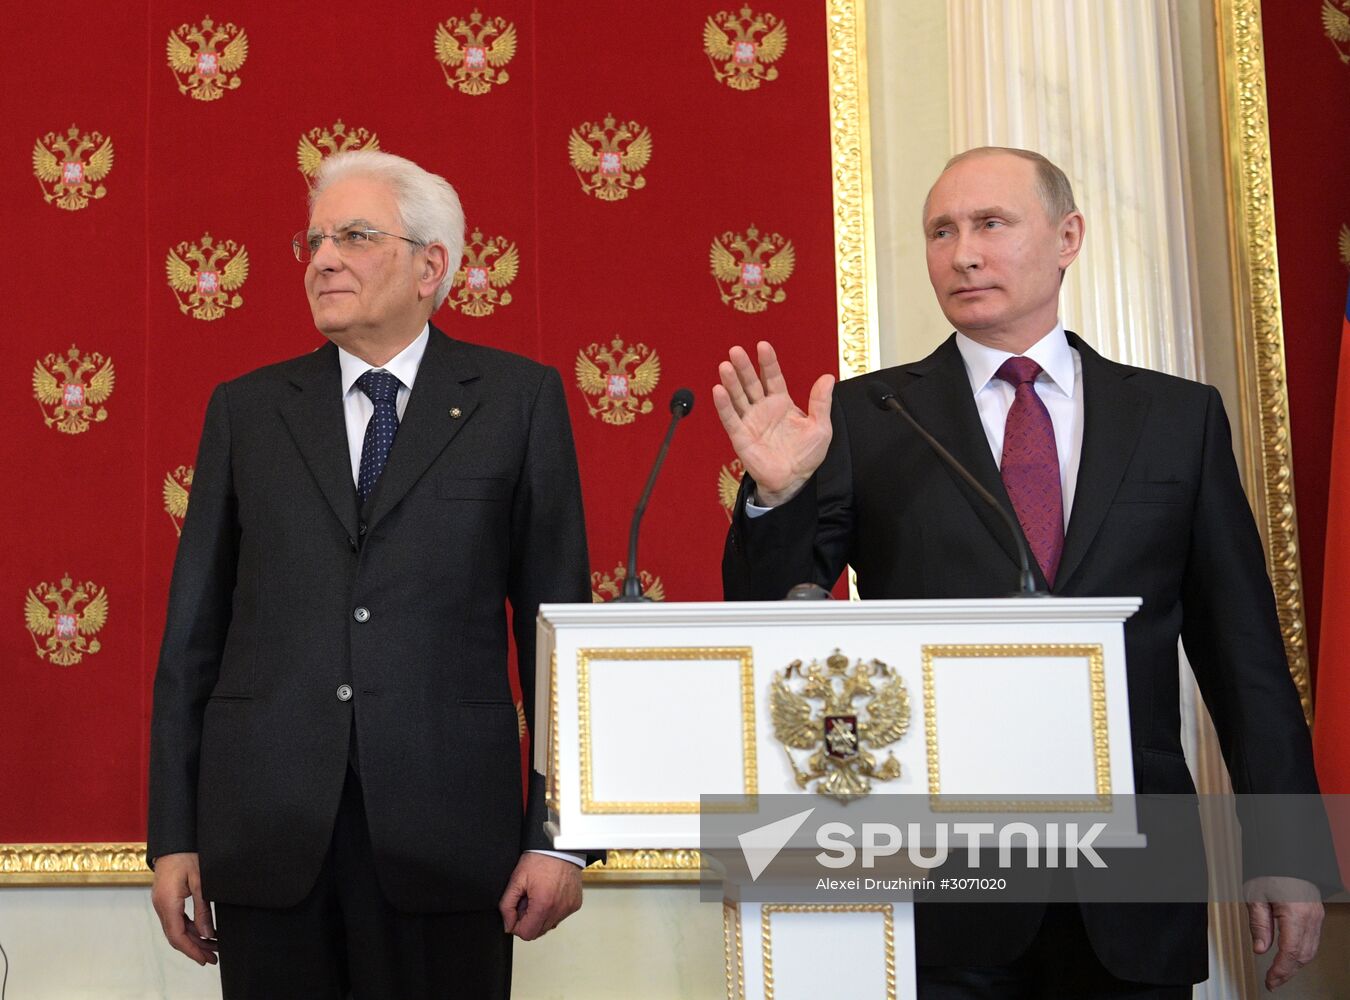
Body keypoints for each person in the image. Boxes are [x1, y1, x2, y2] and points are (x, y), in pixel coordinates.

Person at [715, 146, 1327, 997]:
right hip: (946, 879)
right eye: (940, 231)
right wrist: (778, 498)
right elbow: (770, 627)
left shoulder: (1177, 418)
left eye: (990, 224)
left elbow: (1244, 655)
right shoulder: (868, 415)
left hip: (1137, 875)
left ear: (1068, 235)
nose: (961, 252)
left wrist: (1286, 850)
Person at [148, 149, 592, 999]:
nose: (322, 259)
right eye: (313, 240)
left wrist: (558, 835)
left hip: (449, 835)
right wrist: (173, 835)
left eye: (353, 235)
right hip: (269, 837)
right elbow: (192, 637)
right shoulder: (248, 410)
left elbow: (557, 631)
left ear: (432, 266)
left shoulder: (516, 400)